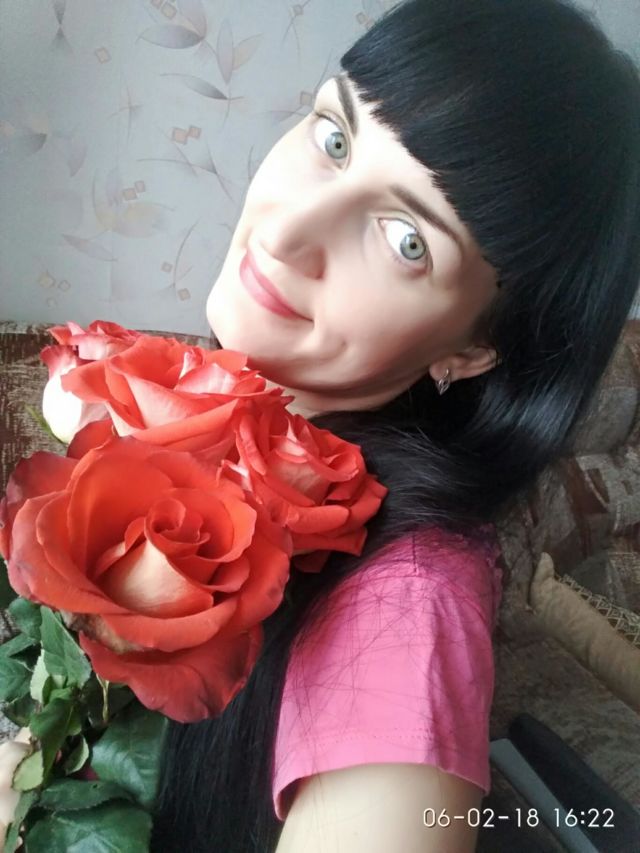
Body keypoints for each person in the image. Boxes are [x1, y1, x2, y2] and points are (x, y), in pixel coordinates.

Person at [1, 0, 638, 851]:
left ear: (474, 347)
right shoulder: (222, 413)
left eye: (407, 240)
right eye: (335, 138)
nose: (290, 229)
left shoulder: (408, 608)